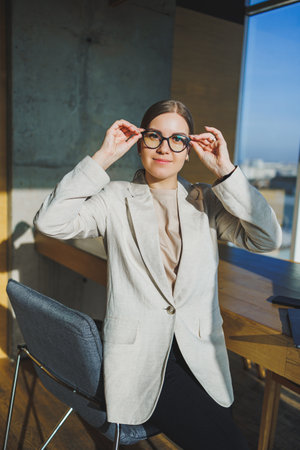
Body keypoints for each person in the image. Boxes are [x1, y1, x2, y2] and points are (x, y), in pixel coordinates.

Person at [34, 99, 282, 449]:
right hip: (141, 359)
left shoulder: (207, 200)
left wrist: (226, 172)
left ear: (188, 150)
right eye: (154, 137)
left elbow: (268, 238)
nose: (165, 148)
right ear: (139, 143)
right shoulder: (115, 199)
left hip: (201, 359)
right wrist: (103, 156)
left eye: (177, 139)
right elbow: (50, 221)